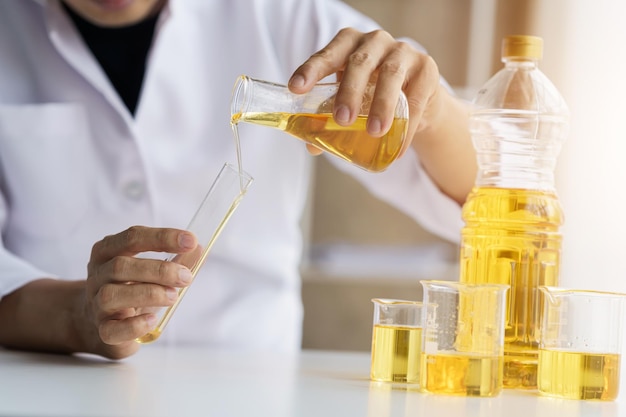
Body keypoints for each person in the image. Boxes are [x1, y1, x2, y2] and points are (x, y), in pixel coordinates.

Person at [0, 0, 475, 360]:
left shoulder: (281, 15)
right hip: (58, 381)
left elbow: (484, 195)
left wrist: (434, 115)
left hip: (254, 383)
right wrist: (78, 317)